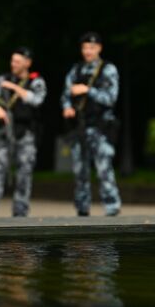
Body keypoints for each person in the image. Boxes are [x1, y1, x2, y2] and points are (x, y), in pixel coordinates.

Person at [0, 47, 47, 218]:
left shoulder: (36, 81)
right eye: (12, 60)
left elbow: (36, 100)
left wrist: (14, 88)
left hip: (26, 133)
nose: (13, 64)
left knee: (24, 172)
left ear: (27, 63)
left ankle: (20, 212)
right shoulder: (3, 79)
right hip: (3, 132)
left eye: (17, 61)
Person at [60, 32, 121, 216]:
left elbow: (111, 98)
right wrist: (67, 107)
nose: (88, 51)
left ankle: (112, 207)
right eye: (85, 47)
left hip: (101, 126)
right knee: (80, 170)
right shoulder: (76, 69)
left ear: (99, 48)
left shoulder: (108, 69)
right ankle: (82, 208)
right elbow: (66, 94)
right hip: (80, 125)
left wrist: (88, 90)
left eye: (92, 48)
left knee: (104, 169)